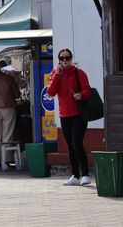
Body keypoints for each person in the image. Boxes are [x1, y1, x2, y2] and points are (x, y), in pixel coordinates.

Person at [47, 48, 93, 186]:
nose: (65, 61)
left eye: (67, 58)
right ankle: (75, 175)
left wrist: (82, 95)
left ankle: (85, 174)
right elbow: (50, 92)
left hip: (79, 114)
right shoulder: (55, 74)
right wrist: (56, 75)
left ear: (71, 59)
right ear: (59, 61)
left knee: (77, 143)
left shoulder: (79, 73)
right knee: (70, 146)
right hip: (64, 114)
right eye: (62, 58)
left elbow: (88, 90)